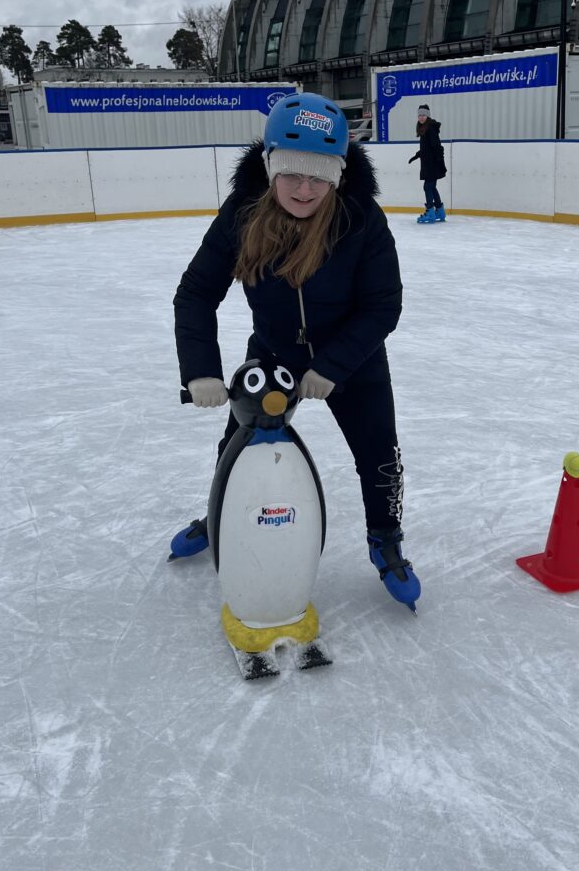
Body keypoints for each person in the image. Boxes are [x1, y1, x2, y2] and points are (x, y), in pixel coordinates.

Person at [172, 91, 421, 610]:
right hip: (273, 355)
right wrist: (200, 371)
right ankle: (220, 514)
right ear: (269, 168)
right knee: (236, 448)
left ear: (337, 174)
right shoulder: (242, 214)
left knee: (380, 456)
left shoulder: (360, 218)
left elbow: (383, 305)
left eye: (319, 176)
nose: (305, 189)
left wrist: (332, 366)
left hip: (353, 358)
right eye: (291, 174)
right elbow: (196, 292)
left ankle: (385, 538)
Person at [408, 103, 447, 224]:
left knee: (427, 187)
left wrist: (439, 161)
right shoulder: (425, 128)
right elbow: (427, 148)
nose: (421, 117)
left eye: (424, 115)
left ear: (428, 116)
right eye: (419, 115)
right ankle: (440, 211)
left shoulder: (429, 129)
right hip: (429, 163)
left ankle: (430, 212)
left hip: (432, 164)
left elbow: (437, 146)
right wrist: (417, 155)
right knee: (432, 187)